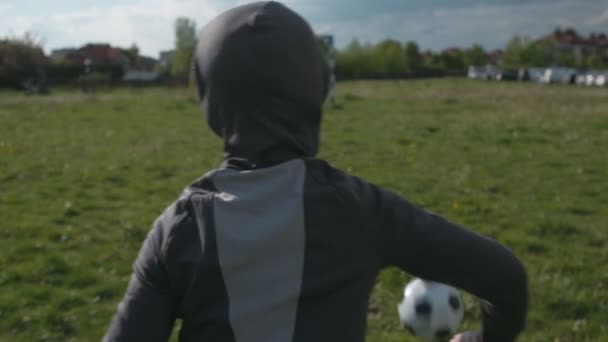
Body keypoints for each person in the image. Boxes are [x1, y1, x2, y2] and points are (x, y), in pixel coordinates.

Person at [104, 2, 528, 341]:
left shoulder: (179, 228)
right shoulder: (362, 211)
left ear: (211, 101)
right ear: (317, 90)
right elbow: (505, 277)